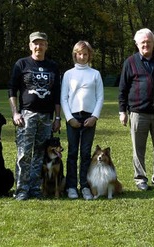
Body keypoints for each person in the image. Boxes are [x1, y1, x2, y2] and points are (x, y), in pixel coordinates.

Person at [118, 28, 154, 191]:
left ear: (153, 43)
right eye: (143, 42)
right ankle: (140, 179)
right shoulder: (130, 62)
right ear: (137, 44)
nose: (146, 45)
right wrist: (123, 111)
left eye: (149, 42)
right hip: (138, 112)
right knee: (138, 148)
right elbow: (123, 88)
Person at [8, 31, 61, 200]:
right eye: (35, 43)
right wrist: (15, 112)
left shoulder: (52, 66)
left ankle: (35, 188)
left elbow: (57, 94)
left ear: (46, 45)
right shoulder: (21, 64)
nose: (39, 46)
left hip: (46, 117)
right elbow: (12, 90)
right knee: (24, 153)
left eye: (42, 43)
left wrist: (57, 118)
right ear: (30, 46)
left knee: (40, 154)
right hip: (26, 115)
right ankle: (22, 189)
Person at [61, 41, 104, 200]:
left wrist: (94, 117)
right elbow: (64, 98)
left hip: (89, 118)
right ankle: (71, 186)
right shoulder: (68, 74)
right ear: (75, 55)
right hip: (73, 117)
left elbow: (100, 97)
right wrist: (69, 118)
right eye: (79, 54)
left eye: (85, 54)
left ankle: (85, 186)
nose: (82, 57)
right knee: (72, 152)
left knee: (86, 153)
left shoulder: (95, 74)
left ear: (89, 56)